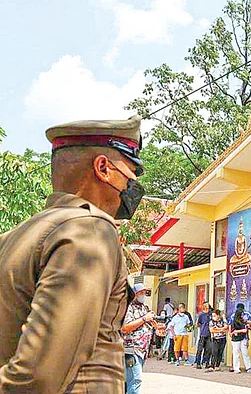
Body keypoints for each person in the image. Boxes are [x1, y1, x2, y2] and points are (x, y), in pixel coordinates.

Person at [0, 116, 144, 393]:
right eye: (131, 172)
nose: (133, 184)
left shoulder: (13, 237)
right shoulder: (89, 230)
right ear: (103, 168)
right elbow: (39, 375)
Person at [122, 283, 156, 394]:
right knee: (135, 380)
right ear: (134, 294)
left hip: (142, 350)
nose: (143, 295)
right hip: (132, 349)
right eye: (140, 293)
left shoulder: (144, 308)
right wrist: (144, 318)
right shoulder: (129, 307)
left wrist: (157, 327)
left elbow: (148, 324)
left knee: (129, 381)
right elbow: (125, 327)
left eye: (144, 293)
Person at [230, 304, 251, 374]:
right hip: (236, 339)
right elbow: (233, 330)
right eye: (241, 314)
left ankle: (248, 367)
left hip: (243, 338)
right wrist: (242, 331)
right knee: (236, 353)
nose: (242, 315)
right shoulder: (234, 319)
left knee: (245, 353)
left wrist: (247, 326)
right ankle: (236, 368)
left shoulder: (243, 319)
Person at [195, 302, 212, 369]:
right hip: (203, 333)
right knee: (200, 349)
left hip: (210, 334)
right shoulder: (201, 314)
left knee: (208, 349)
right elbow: (197, 324)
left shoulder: (211, 313)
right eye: (206, 305)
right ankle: (198, 363)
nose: (207, 306)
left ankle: (206, 362)